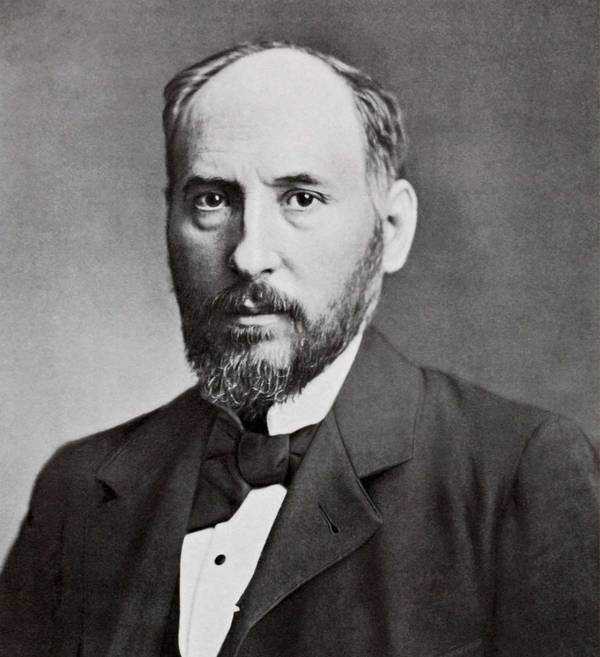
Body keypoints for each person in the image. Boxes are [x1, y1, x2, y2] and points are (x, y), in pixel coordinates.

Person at [0, 41, 597, 657]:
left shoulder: (518, 474)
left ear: (390, 232)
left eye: (301, 198)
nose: (249, 254)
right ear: (169, 219)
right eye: (212, 199)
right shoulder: (78, 489)